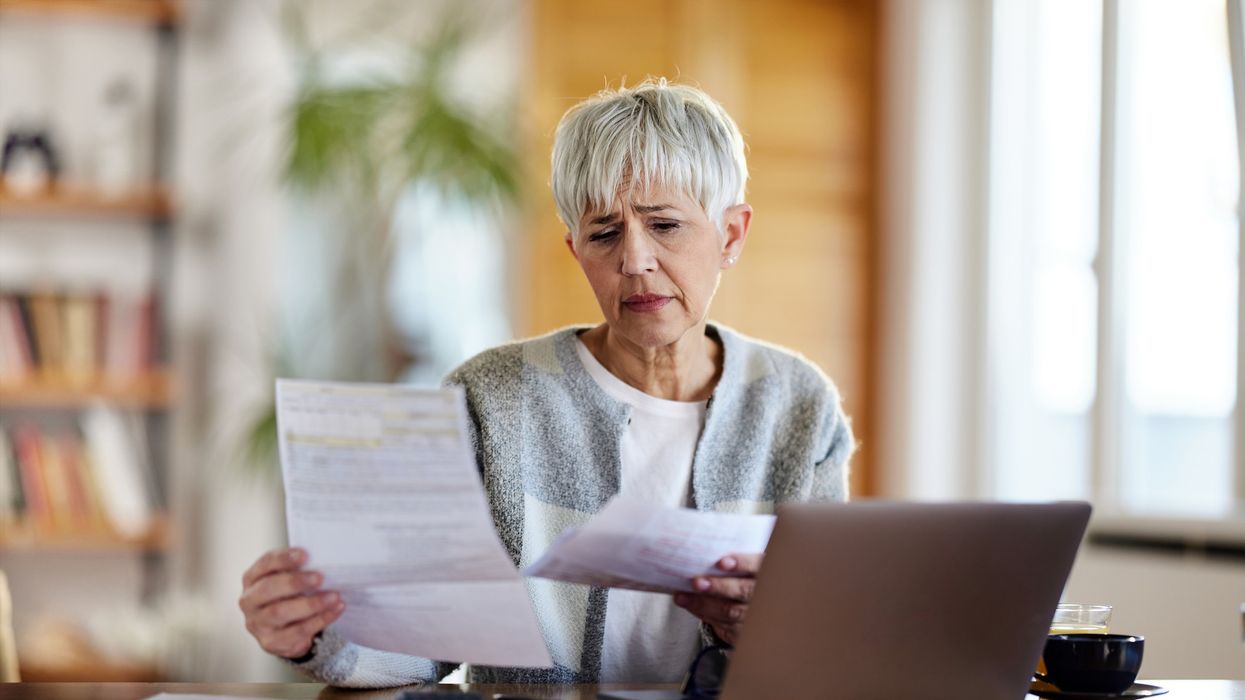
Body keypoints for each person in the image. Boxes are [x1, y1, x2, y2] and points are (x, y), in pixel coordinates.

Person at [238, 77, 854, 688]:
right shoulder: (490, 398)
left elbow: (829, 644)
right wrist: (316, 635)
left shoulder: (798, 406)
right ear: (576, 249)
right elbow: (423, 641)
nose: (634, 260)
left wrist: (766, 630)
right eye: (604, 234)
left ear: (731, 235)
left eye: (665, 225)